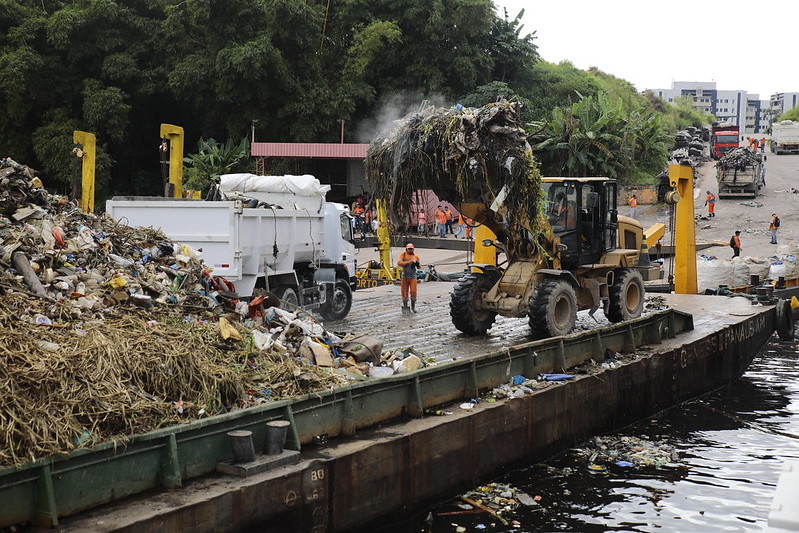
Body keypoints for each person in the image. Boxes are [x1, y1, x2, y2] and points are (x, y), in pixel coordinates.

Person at [397, 243, 421, 313]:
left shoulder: (416, 256)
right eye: (409, 249)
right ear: (406, 249)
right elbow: (399, 263)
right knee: (404, 292)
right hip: (405, 277)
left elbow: (419, 267)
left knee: (413, 291)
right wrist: (408, 262)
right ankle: (405, 305)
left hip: (413, 277)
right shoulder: (403, 255)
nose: (410, 250)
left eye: (411, 249)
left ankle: (413, 306)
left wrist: (417, 264)